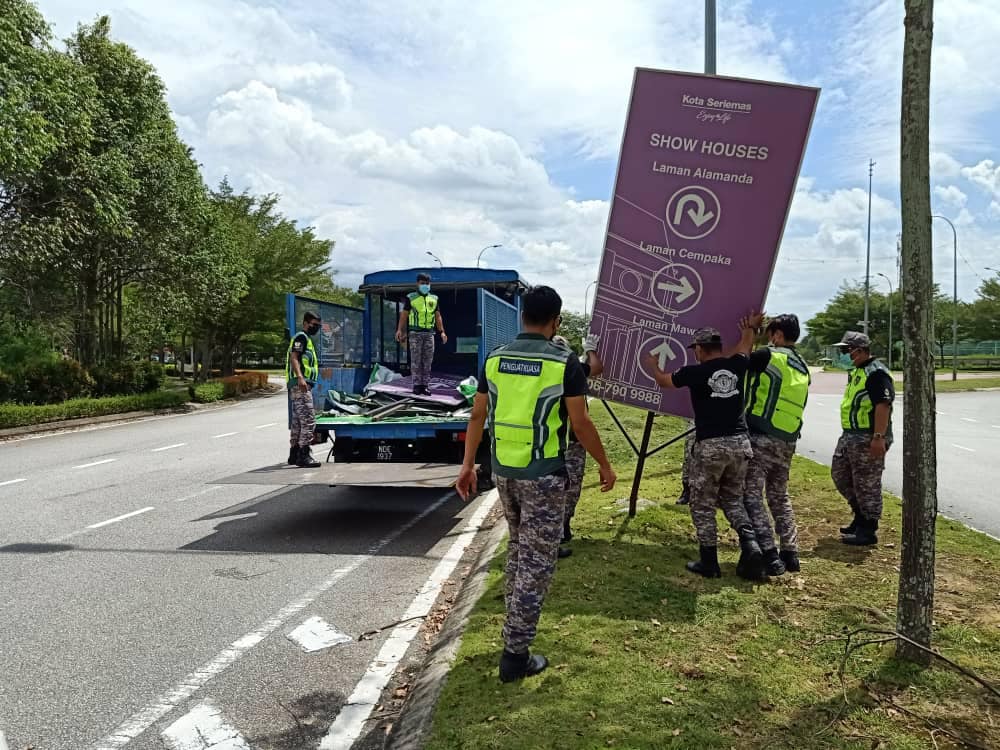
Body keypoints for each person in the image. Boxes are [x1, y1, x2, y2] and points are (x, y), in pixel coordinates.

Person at [456, 286, 617, 683]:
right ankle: (515, 655)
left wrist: (467, 466)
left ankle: (512, 624)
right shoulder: (563, 362)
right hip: (543, 476)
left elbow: (477, 417)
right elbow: (580, 423)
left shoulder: (494, 358)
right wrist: (605, 465)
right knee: (536, 564)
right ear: (556, 321)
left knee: (518, 550)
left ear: (522, 316)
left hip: (505, 472)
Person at [643, 315, 769, 580]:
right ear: (719, 347)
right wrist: (751, 326)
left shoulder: (694, 372)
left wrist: (653, 366)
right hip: (740, 444)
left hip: (711, 446)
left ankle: (709, 561)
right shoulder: (736, 365)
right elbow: (746, 344)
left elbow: (665, 381)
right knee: (733, 499)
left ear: (699, 349)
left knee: (702, 504)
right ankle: (751, 544)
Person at [742, 314, 811, 575]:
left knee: (751, 495)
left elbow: (739, 361)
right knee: (779, 495)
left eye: (770, 333)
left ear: (778, 334)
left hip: (761, 435)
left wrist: (749, 331)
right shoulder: (802, 365)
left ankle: (769, 553)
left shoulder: (768, 356)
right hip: (788, 439)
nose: (768, 338)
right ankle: (790, 552)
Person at [830, 331, 894, 546]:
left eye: (845, 350)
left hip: (868, 436)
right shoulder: (857, 371)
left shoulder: (876, 373)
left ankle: (868, 528)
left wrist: (878, 437)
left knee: (867, 482)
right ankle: (859, 515)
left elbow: (883, 405)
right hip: (850, 434)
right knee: (841, 475)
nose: (844, 354)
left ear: (858, 350)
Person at [551, 333, 603, 558]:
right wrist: (590, 350)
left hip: (554, 440)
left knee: (561, 488)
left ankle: (562, 527)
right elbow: (597, 367)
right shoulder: (571, 369)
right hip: (570, 439)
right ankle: (558, 531)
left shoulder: (549, 367)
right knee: (569, 488)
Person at [396, 273, 447, 395]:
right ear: (417, 284)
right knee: (416, 360)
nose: (425, 285)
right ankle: (417, 385)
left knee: (427, 361)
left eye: (427, 283)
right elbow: (404, 315)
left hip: (429, 333)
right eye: (422, 283)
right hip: (415, 333)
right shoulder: (411, 297)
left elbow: (438, 316)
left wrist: (442, 332)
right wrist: (399, 330)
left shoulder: (434, 299)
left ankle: (425, 385)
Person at [286, 312, 322, 468]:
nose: (316, 328)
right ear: (306, 323)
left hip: (299, 384)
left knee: (298, 422)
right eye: (314, 324)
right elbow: (294, 357)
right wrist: (300, 377)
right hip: (300, 384)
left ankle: (294, 453)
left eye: (318, 326)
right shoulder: (301, 337)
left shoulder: (305, 339)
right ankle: (304, 455)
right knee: (308, 419)